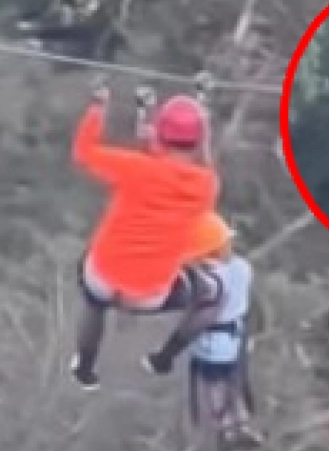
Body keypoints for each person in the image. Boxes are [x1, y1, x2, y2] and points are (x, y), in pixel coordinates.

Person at [69, 77, 220, 390]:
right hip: (149, 293)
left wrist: (98, 107)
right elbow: (199, 159)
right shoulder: (206, 186)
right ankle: (163, 358)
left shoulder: (136, 169)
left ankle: (85, 366)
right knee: (210, 296)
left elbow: (84, 152)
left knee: (94, 295)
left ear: (158, 134)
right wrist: (201, 111)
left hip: (103, 273)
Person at [142, 212, 263, 449]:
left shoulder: (209, 281)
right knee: (234, 381)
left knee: (212, 385)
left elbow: (198, 319)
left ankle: (227, 431)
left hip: (212, 342)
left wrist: (167, 354)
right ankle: (241, 425)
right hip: (236, 338)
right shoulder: (242, 268)